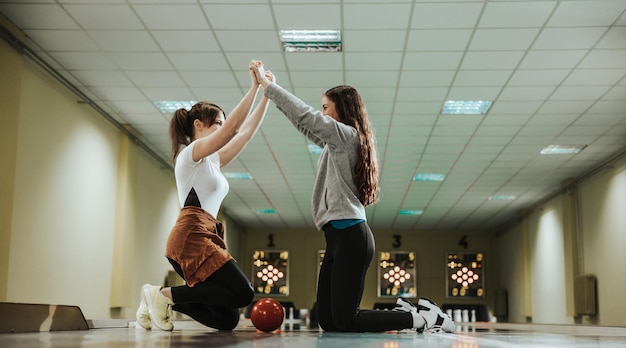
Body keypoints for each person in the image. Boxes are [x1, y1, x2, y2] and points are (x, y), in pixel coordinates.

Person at [253, 64, 454, 333]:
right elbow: (305, 125)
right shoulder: (336, 143)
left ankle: (423, 318)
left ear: (341, 109)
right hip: (337, 239)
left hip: (351, 237)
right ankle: (408, 313)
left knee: (347, 320)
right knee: (328, 321)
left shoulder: (347, 136)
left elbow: (307, 117)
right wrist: (272, 93)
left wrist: (270, 88)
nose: (322, 112)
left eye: (325, 107)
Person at [136, 60, 272, 331]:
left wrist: (268, 94)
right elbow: (233, 129)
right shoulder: (191, 154)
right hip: (191, 237)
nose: (223, 127)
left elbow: (243, 135)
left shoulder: (213, 161)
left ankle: (159, 297)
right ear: (198, 125)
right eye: (217, 123)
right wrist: (254, 87)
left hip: (206, 235)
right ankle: (162, 296)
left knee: (226, 319)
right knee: (244, 293)